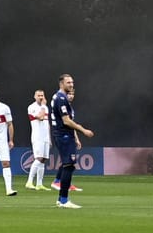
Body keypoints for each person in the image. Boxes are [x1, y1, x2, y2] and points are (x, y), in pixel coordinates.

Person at [50, 74, 95, 209]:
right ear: (61, 83)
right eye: (68, 82)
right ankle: (64, 200)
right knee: (69, 166)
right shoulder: (61, 98)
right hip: (63, 136)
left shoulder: (58, 97)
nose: (71, 85)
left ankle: (61, 199)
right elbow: (66, 121)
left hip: (63, 135)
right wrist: (83, 130)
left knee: (67, 165)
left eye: (72, 82)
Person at [25, 89, 53, 190]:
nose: (41, 97)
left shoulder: (45, 107)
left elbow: (47, 122)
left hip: (45, 136)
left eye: (42, 95)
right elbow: (40, 118)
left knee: (44, 159)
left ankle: (39, 184)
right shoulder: (32, 107)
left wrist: (49, 138)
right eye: (39, 95)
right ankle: (29, 181)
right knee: (38, 158)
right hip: (37, 136)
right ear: (34, 96)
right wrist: (42, 106)